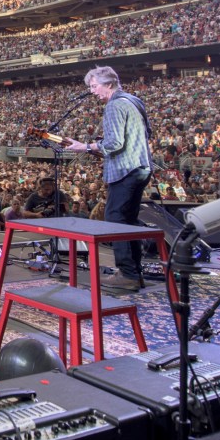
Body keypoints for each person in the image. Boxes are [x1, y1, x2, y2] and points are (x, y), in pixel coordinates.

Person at [65, 66, 153, 291]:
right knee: (130, 221)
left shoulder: (114, 105)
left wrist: (85, 146)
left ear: (109, 84)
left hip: (124, 169)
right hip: (141, 166)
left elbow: (115, 144)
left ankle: (127, 274)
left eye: (94, 86)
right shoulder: (134, 101)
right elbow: (146, 133)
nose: (92, 91)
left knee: (116, 219)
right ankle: (135, 273)